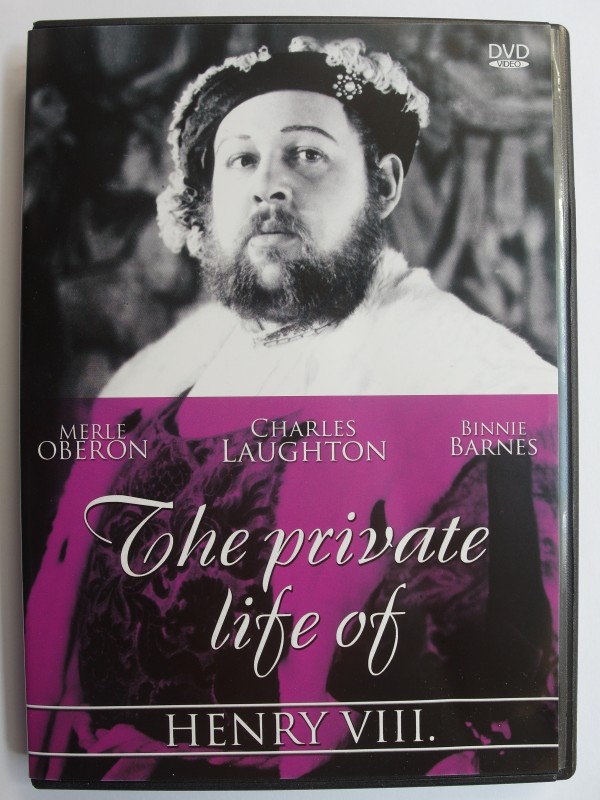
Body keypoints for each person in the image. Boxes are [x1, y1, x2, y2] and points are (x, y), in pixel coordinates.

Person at [25, 37, 558, 784]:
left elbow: (505, 718)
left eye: (306, 155)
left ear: (383, 184)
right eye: (241, 160)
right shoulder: (149, 392)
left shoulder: (473, 385)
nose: (268, 185)